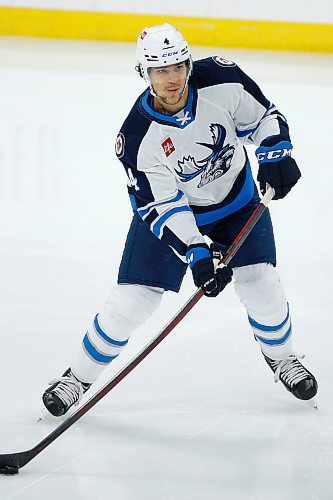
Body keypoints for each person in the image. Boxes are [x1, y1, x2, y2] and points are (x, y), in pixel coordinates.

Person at [43, 23, 317, 417]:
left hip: (236, 203)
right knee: (130, 304)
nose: (171, 79)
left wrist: (277, 153)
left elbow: (264, 118)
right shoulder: (138, 138)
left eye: (177, 67)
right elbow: (163, 206)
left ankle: (284, 359)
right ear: (145, 74)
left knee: (262, 284)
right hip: (174, 217)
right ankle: (77, 378)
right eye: (159, 71)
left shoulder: (223, 80)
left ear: (188, 63)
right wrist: (196, 252)